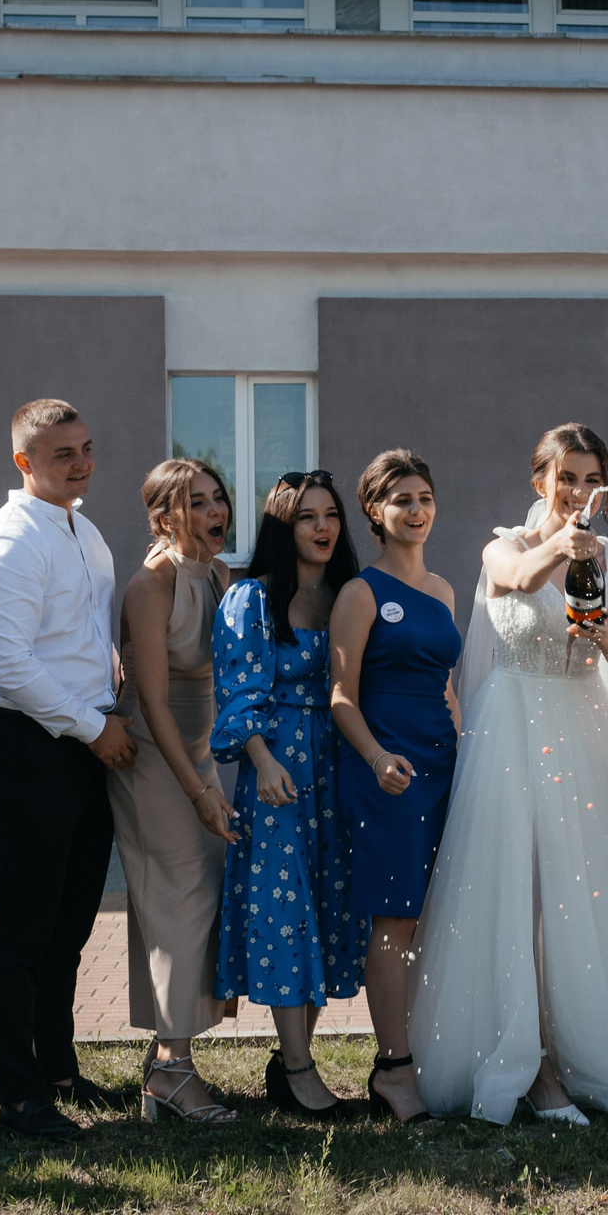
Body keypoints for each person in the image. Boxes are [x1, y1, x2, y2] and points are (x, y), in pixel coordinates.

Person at [413, 425, 608, 1129]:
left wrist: (596, 627)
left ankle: (577, 1050)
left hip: (578, 731)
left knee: (577, 897)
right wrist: (558, 549)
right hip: (511, 729)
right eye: (565, 476)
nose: (578, 491)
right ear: (539, 478)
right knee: (517, 890)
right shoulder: (505, 545)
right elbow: (512, 581)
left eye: (590, 478)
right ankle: (528, 1061)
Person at [0, 398, 132, 1141]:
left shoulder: (84, 528)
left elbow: (76, 633)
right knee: (22, 926)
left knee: (69, 921)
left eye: (87, 447)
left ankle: (57, 1065)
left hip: (81, 741)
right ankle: (20, 1094)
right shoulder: (8, 540)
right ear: (23, 461)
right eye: (62, 452)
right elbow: (6, 663)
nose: (81, 462)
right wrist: (95, 725)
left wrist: (108, 673)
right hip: (29, 743)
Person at [214, 470, 364, 1118]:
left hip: (337, 768)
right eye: (307, 516)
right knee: (285, 913)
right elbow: (238, 687)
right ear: (283, 524)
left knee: (326, 906)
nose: (323, 526)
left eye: (331, 514)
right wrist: (260, 757)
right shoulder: (252, 597)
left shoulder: (346, 596)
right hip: (278, 769)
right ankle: (298, 1067)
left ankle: (291, 1061)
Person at [330, 449, 460, 1124]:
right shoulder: (361, 592)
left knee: (437, 915)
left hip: (443, 767)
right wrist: (378, 757)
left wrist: (466, 751)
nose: (417, 510)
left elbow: (446, 684)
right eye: (402, 499)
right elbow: (340, 698)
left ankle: (426, 1050)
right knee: (396, 919)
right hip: (388, 774)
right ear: (375, 512)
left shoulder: (441, 590)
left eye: (425, 497)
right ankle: (393, 1070)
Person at [109, 459, 238, 1123]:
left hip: (199, 753)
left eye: (219, 498)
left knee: (200, 895)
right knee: (176, 901)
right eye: (199, 502)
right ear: (165, 515)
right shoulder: (150, 583)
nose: (217, 510)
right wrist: (196, 792)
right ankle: (172, 1073)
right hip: (152, 756)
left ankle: (168, 1060)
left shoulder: (216, 574)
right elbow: (154, 702)